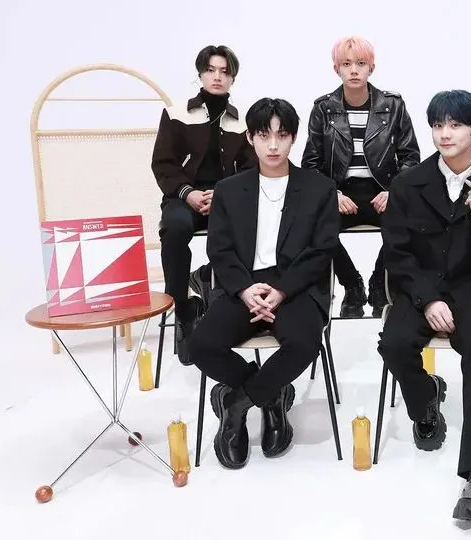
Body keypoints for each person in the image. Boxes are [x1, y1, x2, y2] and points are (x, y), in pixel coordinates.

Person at [378, 90, 471, 521]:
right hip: (419, 288)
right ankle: (426, 401)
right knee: (394, 343)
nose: (445, 133)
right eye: (438, 125)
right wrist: (427, 300)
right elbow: (397, 254)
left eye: (455, 125)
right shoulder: (408, 183)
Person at [187, 98, 339, 470]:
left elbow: (321, 251)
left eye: (282, 135)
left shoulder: (319, 188)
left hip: (295, 287)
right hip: (244, 286)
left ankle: (236, 403)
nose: (273, 145)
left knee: (303, 342)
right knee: (201, 345)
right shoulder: (228, 189)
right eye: (263, 135)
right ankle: (270, 394)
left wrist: (282, 290)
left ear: (293, 138)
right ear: (250, 138)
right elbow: (219, 249)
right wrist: (243, 289)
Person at [152, 45, 257, 364]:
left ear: (233, 78)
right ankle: (183, 311)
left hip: (225, 199)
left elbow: (252, 168)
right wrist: (188, 193)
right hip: (182, 196)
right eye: (211, 70)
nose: (217, 77)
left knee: (249, 229)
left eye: (224, 72)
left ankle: (221, 294)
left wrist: (224, 196)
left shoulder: (243, 122)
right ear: (200, 74)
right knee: (175, 228)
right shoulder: (176, 114)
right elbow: (163, 163)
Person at [302, 36, 420, 318]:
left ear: (371, 67)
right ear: (336, 69)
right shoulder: (323, 108)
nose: (354, 70)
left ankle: (379, 284)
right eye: (346, 64)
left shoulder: (393, 105)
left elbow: (410, 157)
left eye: (361, 63)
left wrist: (394, 191)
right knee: (312, 229)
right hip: (340, 192)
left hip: (383, 189)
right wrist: (332, 194)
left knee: (410, 226)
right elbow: (310, 164)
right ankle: (352, 285)